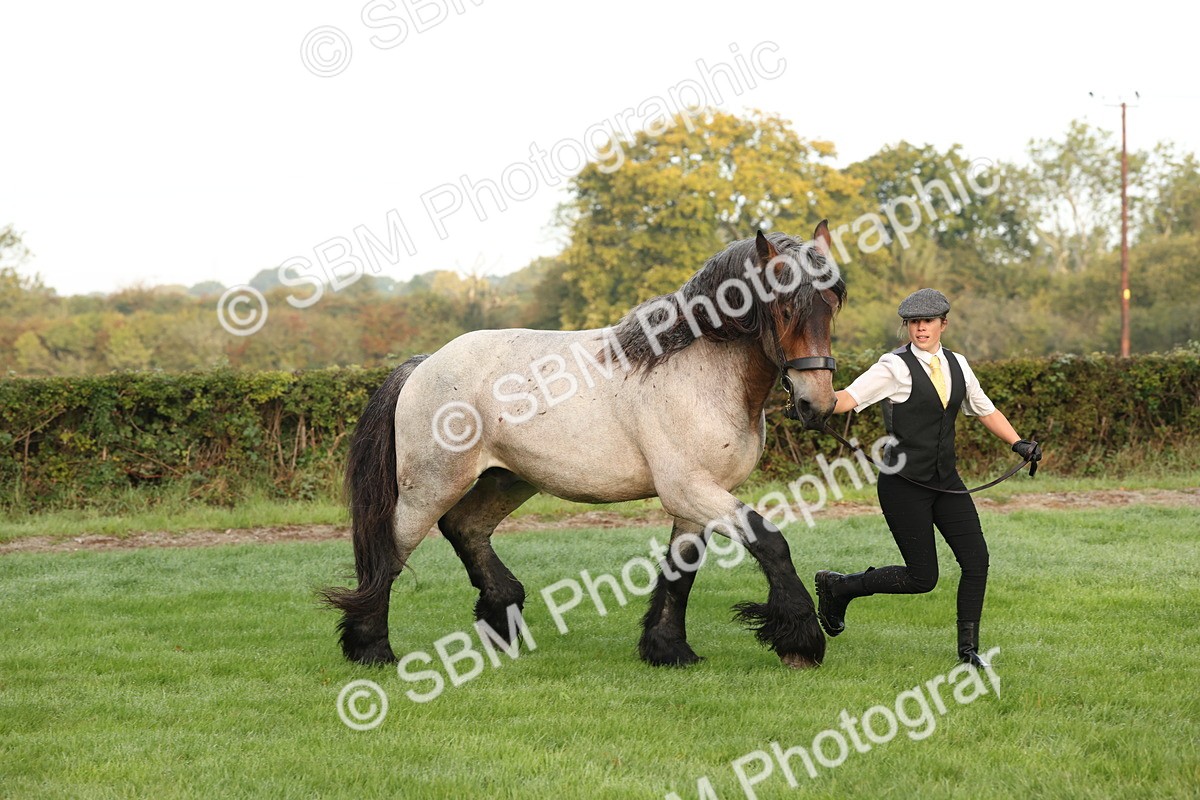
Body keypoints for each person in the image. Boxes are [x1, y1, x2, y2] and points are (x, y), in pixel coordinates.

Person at [815, 288, 1042, 667]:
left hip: (946, 482)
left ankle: (969, 653)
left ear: (943, 324)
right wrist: (812, 402)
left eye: (928, 321)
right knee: (923, 578)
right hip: (903, 485)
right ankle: (839, 587)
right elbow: (847, 399)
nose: (921, 328)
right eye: (914, 322)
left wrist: (1018, 443)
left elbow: (985, 410)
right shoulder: (893, 365)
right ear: (908, 325)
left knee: (977, 562)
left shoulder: (958, 364)